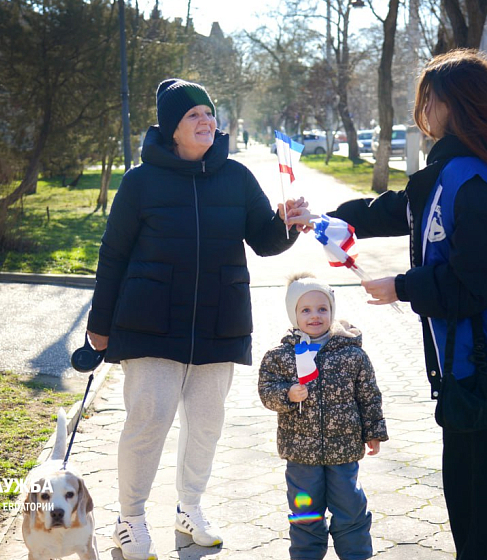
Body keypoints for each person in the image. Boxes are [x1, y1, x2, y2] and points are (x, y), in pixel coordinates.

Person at [328, 50, 487, 560]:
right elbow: (398, 208)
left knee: (483, 512)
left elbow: (475, 283)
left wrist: (402, 286)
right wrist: (323, 220)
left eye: (426, 100)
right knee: (485, 505)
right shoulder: (465, 172)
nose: (423, 111)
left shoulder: (475, 182)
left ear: (448, 105)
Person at [85, 78, 313, 560]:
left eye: (210, 112)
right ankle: (130, 519)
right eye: (194, 115)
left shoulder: (235, 177)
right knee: (148, 423)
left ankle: (189, 509)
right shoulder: (139, 182)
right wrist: (100, 325)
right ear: (171, 128)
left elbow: (266, 240)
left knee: (207, 425)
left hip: (218, 323)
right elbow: (113, 255)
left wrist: (288, 223)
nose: (207, 120)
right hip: (149, 326)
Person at [258, 273, 388, 560]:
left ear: (332, 311)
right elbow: (266, 391)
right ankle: (306, 555)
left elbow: (368, 394)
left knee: (350, 508)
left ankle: (356, 554)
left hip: (343, 450)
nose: (315, 316)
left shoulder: (352, 354)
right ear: (294, 314)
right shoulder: (280, 356)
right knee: (305, 513)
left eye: (322, 309)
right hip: (301, 454)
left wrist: (374, 431)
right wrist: (287, 394)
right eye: (305, 310)